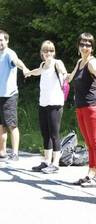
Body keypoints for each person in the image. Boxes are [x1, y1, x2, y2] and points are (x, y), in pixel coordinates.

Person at [68, 33, 96, 187]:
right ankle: (91, 173)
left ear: (92, 48)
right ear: (78, 46)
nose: (85, 47)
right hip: (81, 107)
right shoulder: (80, 62)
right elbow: (70, 77)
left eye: (88, 45)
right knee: (89, 142)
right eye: (82, 44)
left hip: (93, 107)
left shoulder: (93, 62)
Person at [25, 40, 67, 174]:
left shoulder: (57, 63)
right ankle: (46, 161)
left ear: (54, 52)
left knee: (54, 134)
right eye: (46, 50)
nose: (48, 53)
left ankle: (55, 163)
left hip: (55, 104)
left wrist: (65, 75)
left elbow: (64, 73)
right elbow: (38, 71)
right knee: (45, 134)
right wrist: (29, 72)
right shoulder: (43, 65)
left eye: (51, 50)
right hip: (43, 103)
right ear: (42, 53)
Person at [0, 30, 29, 161]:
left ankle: (15, 153)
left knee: (11, 124)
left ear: (7, 41)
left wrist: (24, 68)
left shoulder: (9, 54)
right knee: (1, 125)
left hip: (9, 95)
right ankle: (2, 151)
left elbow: (17, 61)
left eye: (1, 40)